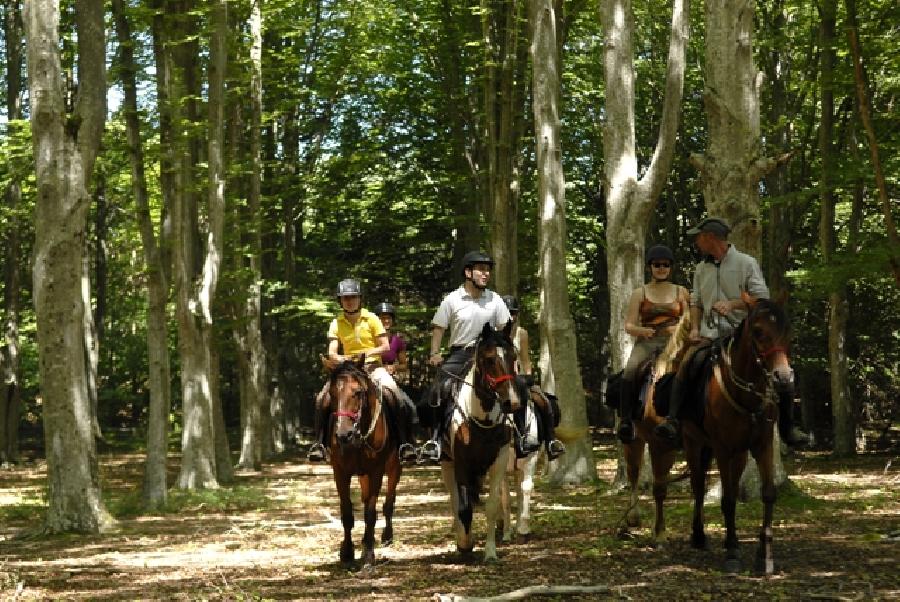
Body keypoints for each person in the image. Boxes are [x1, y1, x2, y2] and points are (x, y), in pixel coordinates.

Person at [653, 217, 808, 446]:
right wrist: (695, 328)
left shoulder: (746, 263)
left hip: (743, 335)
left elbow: (762, 299)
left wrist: (733, 304)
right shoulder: (701, 269)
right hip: (709, 333)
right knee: (688, 363)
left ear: (711, 238)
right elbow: (696, 302)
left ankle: (788, 428)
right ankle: (673, 421)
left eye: (699, 237)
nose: (696, 242)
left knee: (781, 368)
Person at [307, 279, 417, 463]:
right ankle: (319, 443)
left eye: (353, 297)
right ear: (340, 301)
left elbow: (384, 346)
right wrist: (342, 358)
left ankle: (405, 443)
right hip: (347, 368)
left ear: (360, 299)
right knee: (322, 397)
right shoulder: (336, 322)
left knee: (394, 394)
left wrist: (364, 354)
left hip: (372, 366)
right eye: (345, 298)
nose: (349, 301)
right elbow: (332, 352)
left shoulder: (372, 318)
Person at [418, 251, 511, 463]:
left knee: (515, 389)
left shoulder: (495, 299)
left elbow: (506, 328)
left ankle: (520, 436)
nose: (485, 274)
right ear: (468, 272)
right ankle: (435, 441)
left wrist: (505, 351)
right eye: (481, 269)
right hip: (461, 354)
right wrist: (434, 352)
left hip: (489, 355)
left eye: (488, 270)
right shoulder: (452, 299)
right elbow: (439, 328)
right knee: (435, 393)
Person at [616, 245, 689, 444]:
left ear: (670, 268)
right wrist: (642, 331)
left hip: (675, 342)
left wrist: (680, 332)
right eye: (657, 265)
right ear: (650, 267)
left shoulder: (681, 292)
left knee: (691, 370)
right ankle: (625, 420)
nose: (661, 268)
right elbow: (629, 325)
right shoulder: (640, 293)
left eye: (665, 265)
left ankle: (684, 418)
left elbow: (690, 319)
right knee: (629, 372)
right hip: (648, 340)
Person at [501, 295, 566, 460]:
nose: (511, 316)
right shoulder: (492, 333)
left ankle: (550, 440)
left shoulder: (521, 334)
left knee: (544, 401)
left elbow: (525, 360)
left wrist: (529, 378)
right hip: (499, 379)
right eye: (508, 312)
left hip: (517, 378)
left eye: (514, 313)